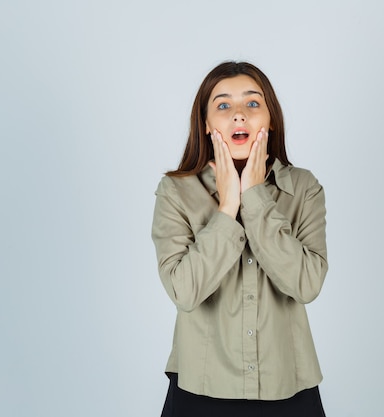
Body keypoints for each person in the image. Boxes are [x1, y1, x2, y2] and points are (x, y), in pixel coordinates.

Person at [151, 61, 328, 417]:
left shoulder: (303, 188)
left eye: (252, 103)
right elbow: (184, 292)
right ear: (205, 124)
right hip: (200, 391)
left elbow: (306, 284)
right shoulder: (175, 191)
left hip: (289, 388)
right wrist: (228, 206)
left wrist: (256, 196)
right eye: (222, 105)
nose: (238, 115)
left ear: (270, 118)